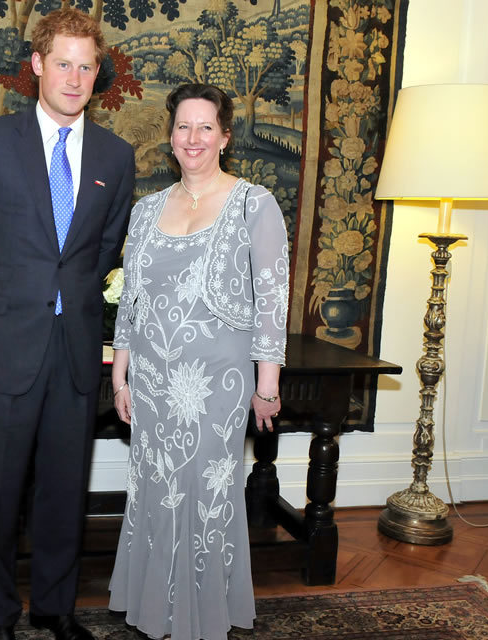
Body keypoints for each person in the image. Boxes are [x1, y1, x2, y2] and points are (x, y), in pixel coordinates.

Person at [0, 8, 135, 640]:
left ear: (96, 71)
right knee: (0, 495)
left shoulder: (115, 154)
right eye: (63, 64)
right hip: (3, 348)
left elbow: (105, 247)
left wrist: (65, 298)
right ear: (37, 66)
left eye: (86, 65)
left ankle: (55, 608)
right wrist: (2, 301)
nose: (75, 78)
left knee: (62, 491)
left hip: (75, 351)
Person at [107, 83, 289, 640]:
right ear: (170, 135)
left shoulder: (254, 203)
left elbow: (272, 299)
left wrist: (267, 385)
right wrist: (120, 372)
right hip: (154, 378)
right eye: (183, 126)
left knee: (209, 490)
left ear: (225, 136)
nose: (193, 138)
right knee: (156, 487)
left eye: (205, 127)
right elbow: (131, 300)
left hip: (219, 380)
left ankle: (205, 613)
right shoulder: (145, 210)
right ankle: (156, 607)